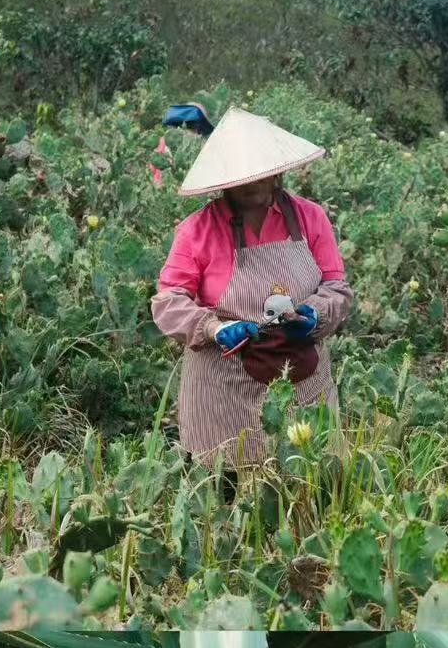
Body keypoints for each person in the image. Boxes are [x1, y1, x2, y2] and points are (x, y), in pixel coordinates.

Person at [151, 104, 353, 465]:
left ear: (277, 170)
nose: (252, 182)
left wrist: (314, 315)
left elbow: (336, 288)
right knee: (227, 485)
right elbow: (168, 301)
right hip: (223, 391)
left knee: (311, 477)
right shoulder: (197, 231)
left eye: (260, 172)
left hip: (303, 381)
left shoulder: (310, 218)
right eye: (239, 175)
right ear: (223, 180)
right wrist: (214, 328)